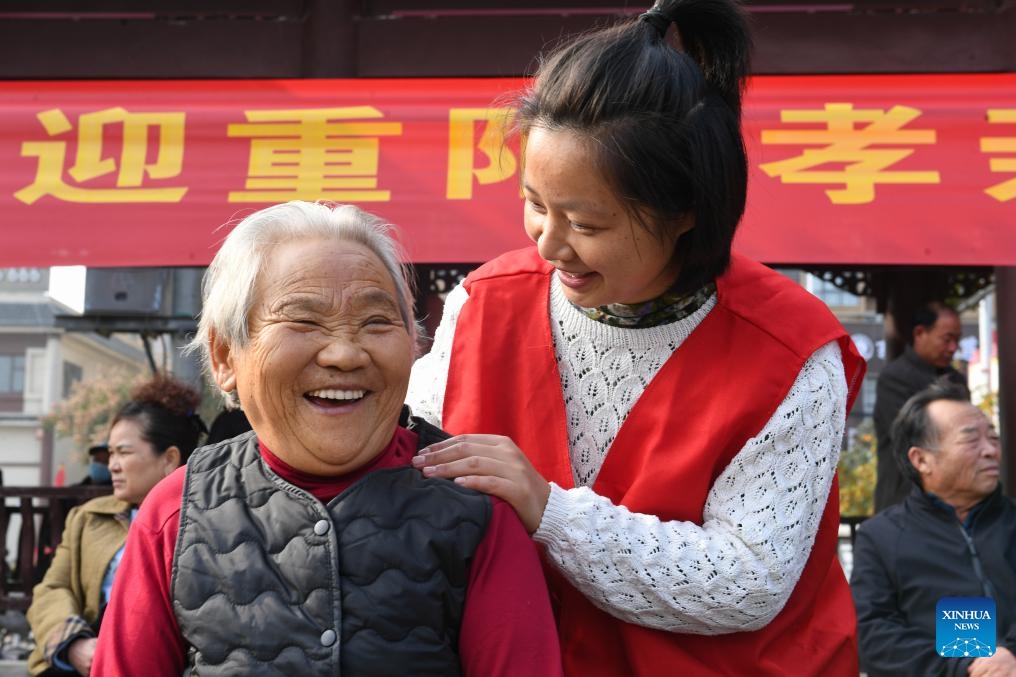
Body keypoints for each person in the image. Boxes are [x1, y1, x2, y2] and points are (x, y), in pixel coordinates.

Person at [406, 1, 866, 674]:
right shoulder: (481, 304)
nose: (549, 243)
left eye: (587, 223)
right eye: (536, 203)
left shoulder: (790, 350)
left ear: (686, 211)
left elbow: (749, 580)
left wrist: (549, 509)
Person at [91, 201, 562, 676]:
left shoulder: (477, 508)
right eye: (304, 321)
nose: (344, 353)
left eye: (376, 322)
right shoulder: (174, 512)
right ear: (225, 356)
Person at [26, 373, 205, 676]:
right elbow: (53, 587)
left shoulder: (203, 522)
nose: (112, 465)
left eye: (123, 452)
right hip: (82, 656)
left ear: (169, 459)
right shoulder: (88, 517)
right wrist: (73, 643)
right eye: (110, 453)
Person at [851, 381, 1016, 677]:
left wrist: (1011, 657)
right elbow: (874, 636)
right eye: (971, 440)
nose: (991, 450)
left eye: (993, 437)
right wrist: (965, 668)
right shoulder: (881, 537)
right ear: (922, 459)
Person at [874, 302, 968, 512]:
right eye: (947, 339)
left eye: (957, 340)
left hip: (953, 499)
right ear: (920, 333)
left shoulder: (956, 380)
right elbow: (911, 435)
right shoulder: (894, 378)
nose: (953, 347)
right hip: (903, 500)